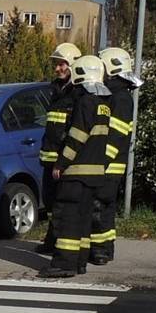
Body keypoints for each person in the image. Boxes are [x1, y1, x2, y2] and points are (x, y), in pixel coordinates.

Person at [40, 55, 112, 278]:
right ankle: (80, 262)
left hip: (76, 173)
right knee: (83, 219)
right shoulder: (102, 105)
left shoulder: (84, 102)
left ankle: (64, 264)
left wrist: (61, 163)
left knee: (68, 218)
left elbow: (76, 137)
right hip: (94, 175)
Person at [89, 47, 140, 265]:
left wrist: (101, 161)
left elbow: (116, 135)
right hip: (110, 165)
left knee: (99, 207)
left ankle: (101, 251)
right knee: (105, 208)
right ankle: (104, 249)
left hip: (108, 166)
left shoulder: (119, 98)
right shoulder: (117, 95)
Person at [35, 42, 82, 254]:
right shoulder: (55, 89)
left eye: (62, 64)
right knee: (51, 202)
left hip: (66, 159)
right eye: (56, 65)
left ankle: (60, 243)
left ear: (72, 64)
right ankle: (52, 240)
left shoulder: (78, 92)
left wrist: (64, 159)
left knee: (62, 204)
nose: (57, 69)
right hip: (50, 158)